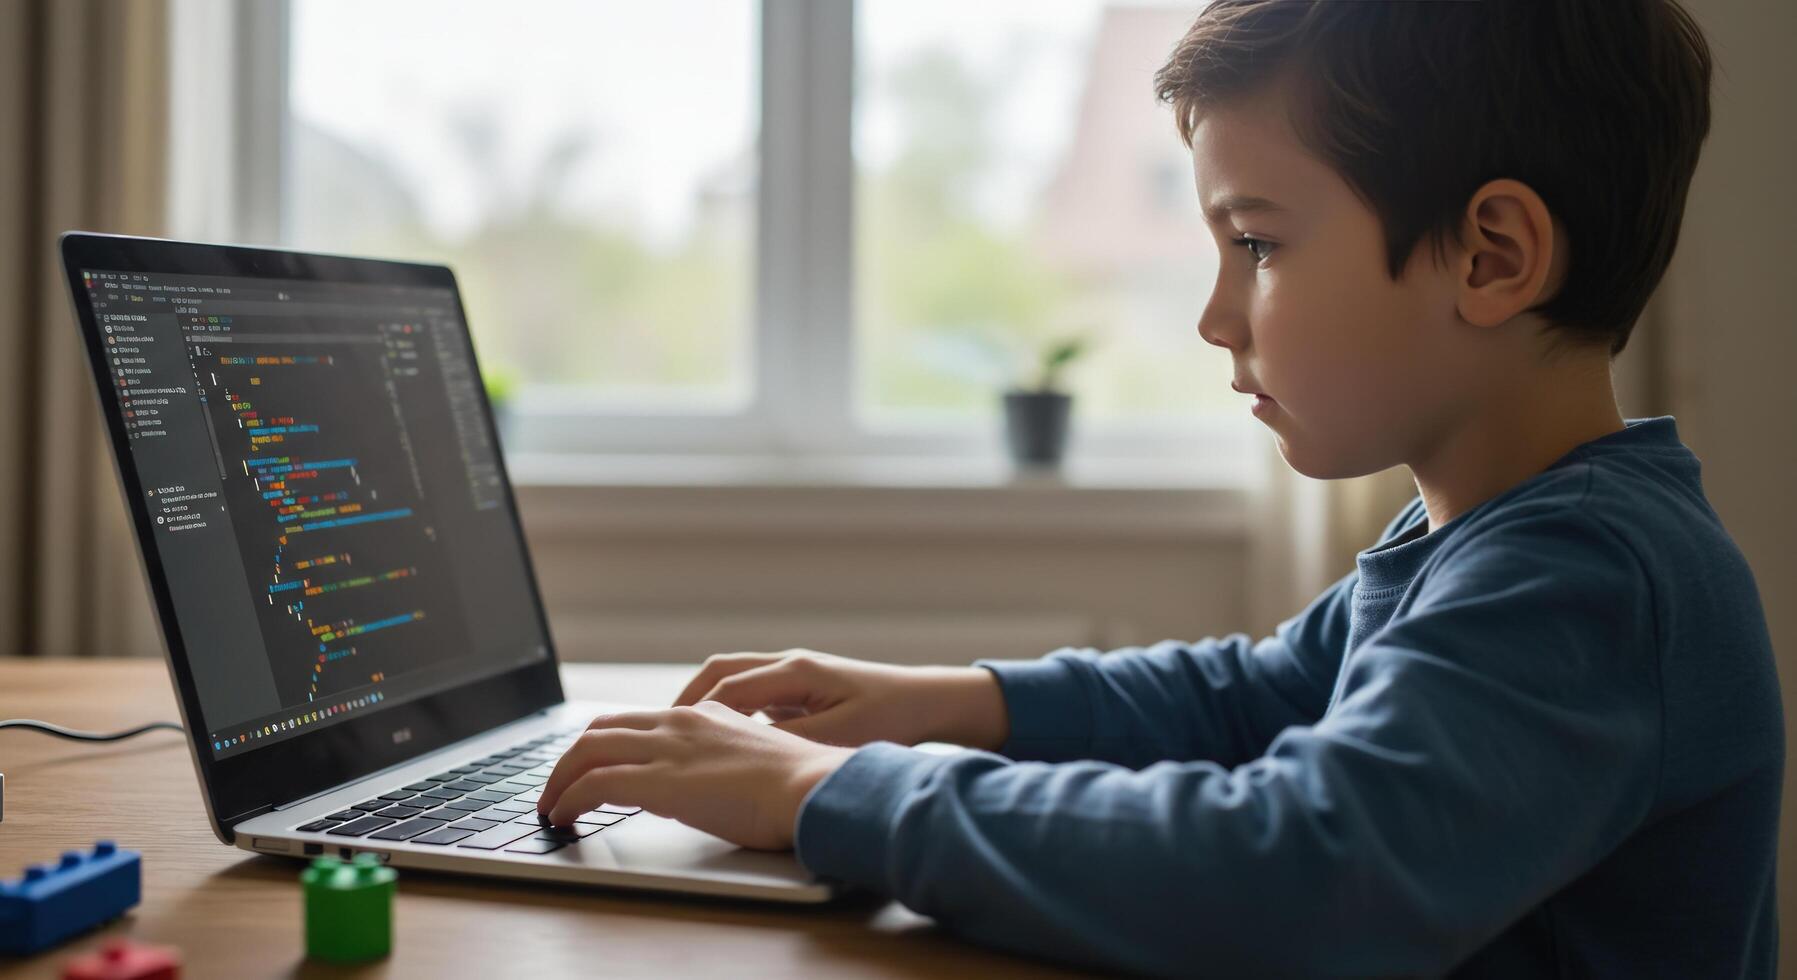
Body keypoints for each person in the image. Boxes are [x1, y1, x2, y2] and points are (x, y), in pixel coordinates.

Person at [538, 2, 1783, 974]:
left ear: (1493, 254)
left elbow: (1307, 868)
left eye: (1258, 243)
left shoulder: (1590, 578)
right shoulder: (1485, 532)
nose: (1213, 315)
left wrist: (822, 791)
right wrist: (948, 700)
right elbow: (1260, 698)